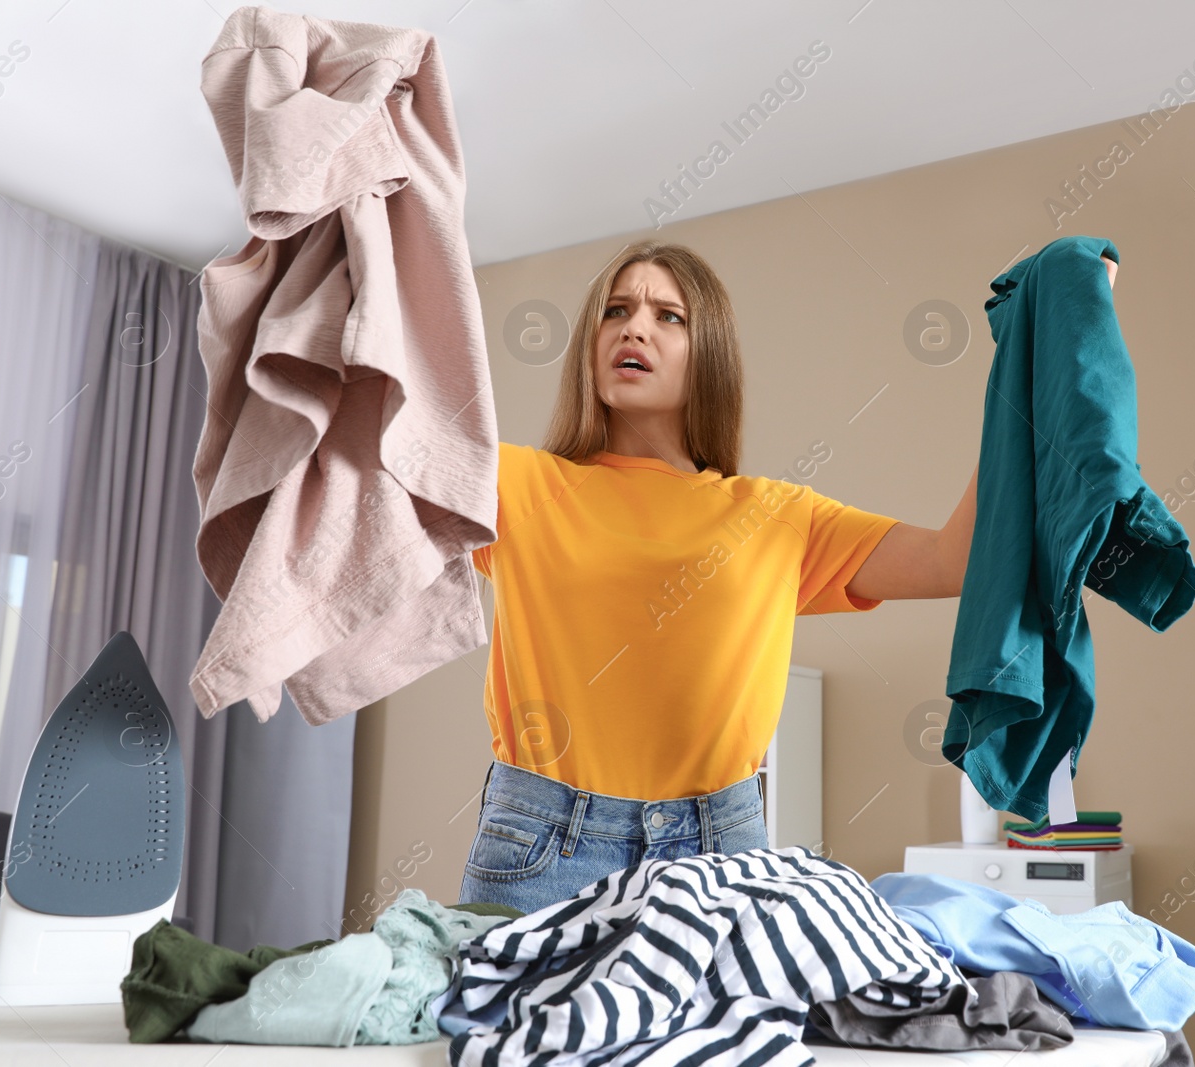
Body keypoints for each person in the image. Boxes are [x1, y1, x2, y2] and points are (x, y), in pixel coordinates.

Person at [458, 239, 1116, 913]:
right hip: (541, 847)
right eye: (616, 310)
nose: (635, 326)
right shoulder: (511, 482)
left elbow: (956, 557)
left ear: (708, 351)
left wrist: (1048, 341)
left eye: (669, 316)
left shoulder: (775, 515)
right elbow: (379, 458)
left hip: (718, 851)